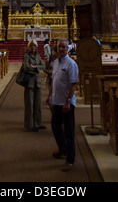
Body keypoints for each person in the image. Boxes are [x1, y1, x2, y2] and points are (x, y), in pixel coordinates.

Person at [46, 38, 79, 172]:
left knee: (68, 131)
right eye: (59, 47)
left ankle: (70, 159)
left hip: (66, 103)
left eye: (64, 47)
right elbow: (54, 80)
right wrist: (49, 96)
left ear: (67, 49)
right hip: (56, 101)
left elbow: (73, 84)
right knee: (55, 126)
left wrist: (68, 101)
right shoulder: (55, 63)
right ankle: (63, 149)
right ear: (56, 48)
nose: (61, 49)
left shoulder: (71, 64)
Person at [22, 39, 46, 132]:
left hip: (38, 82)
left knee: (38, 103)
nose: (33, 47)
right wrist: (36, 68)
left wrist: (35, 67)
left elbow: (43, 66)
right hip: (30, 83)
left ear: (36, 47)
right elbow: (26, 67)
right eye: (31, 45)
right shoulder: (26, 56)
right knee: (29, 104)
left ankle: (38, 123)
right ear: (29, 47)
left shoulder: (38, 56)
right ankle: (30, 124)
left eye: (34, 46)